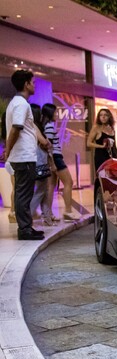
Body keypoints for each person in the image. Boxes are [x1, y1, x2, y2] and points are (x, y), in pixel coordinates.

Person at [3, 69, 47, 240]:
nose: (34, 85)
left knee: (25, 193)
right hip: (23, 156)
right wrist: (7, 150)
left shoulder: (17, 103)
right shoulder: (21, 104)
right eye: (33, 82)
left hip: (23, 155)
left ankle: (26, 227)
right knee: (24, 193)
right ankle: (25, 230)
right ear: (26, 84)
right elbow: (16, 128)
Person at [42, 103, 79, 221]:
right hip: (56, 158)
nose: (56, 114)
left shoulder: (47, 126)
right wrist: (52, 163)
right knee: (68, 182)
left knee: (51, 186)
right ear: (49, 113)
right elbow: (48, 147)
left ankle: (48, 214)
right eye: (55, 112)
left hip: (54, 158)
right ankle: (68, 211)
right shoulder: (49, 127)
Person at [29, 103, 57, 226]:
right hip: (39, 163)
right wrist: (47, 144)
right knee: (41, 190)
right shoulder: (34, 126)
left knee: (44, 189)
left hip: (39, 162)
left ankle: (47, 216)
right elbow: (45, 143)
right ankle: (28, 215)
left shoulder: (32, 127)